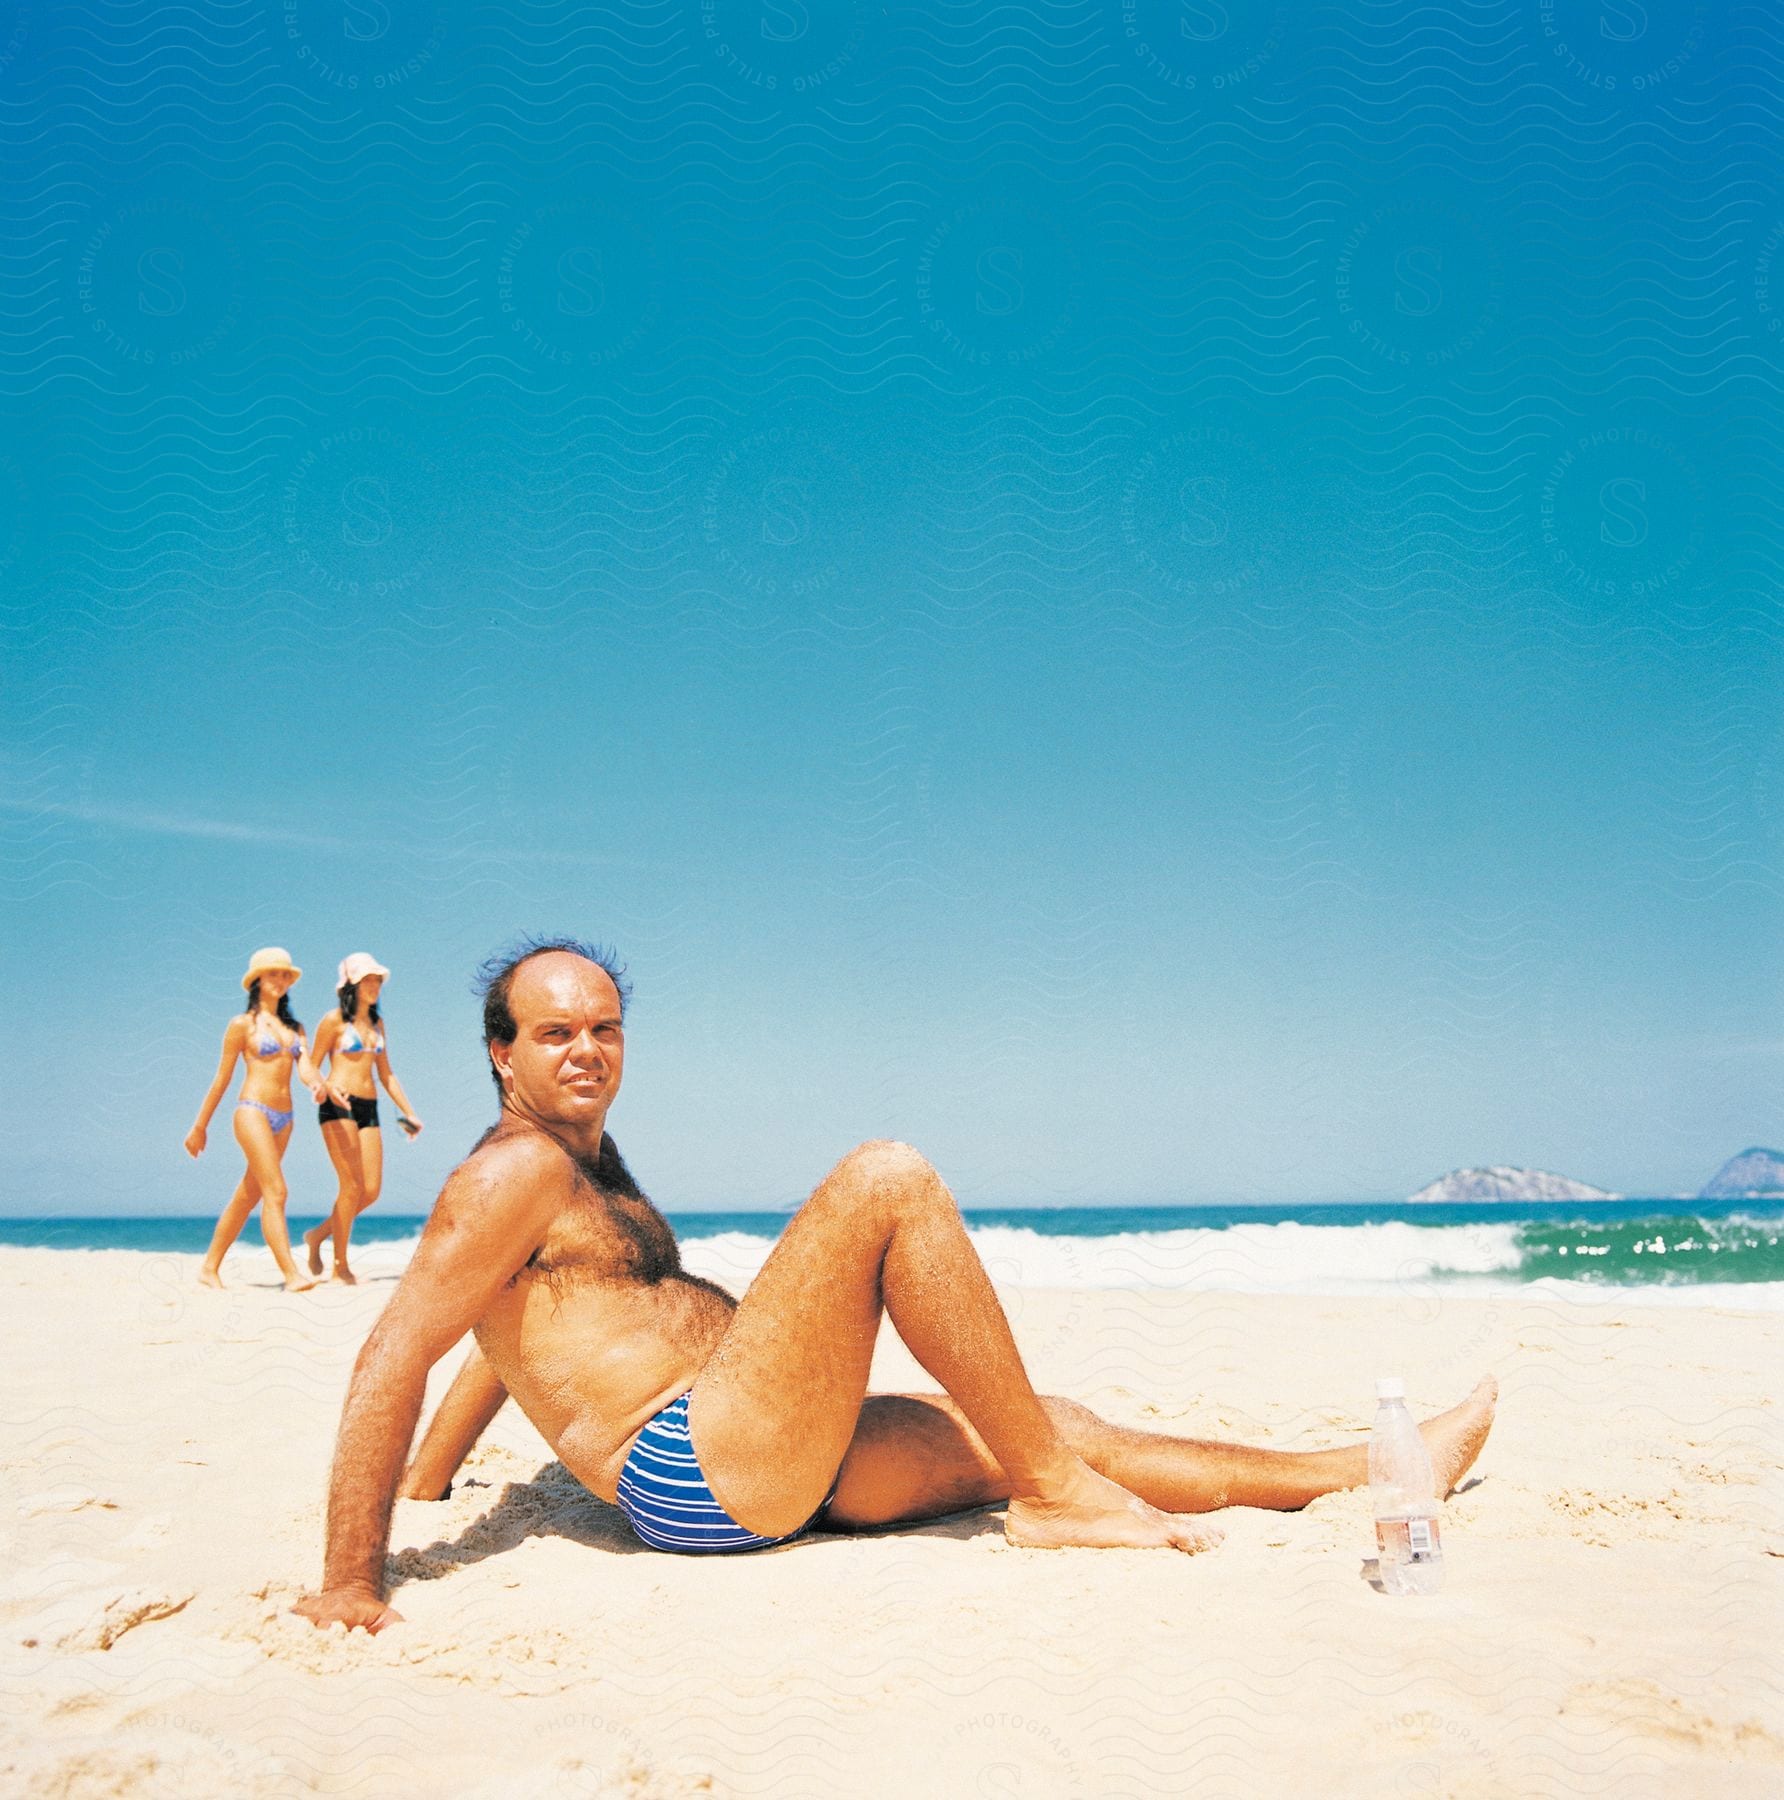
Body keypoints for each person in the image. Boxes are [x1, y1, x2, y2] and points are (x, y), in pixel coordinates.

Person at [295, 938, 1497, 1632]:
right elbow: (396, 1347)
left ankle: (1370, 1471)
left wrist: (439, 1473)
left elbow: (499, 1336)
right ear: (499, 1052)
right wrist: (353, 1581)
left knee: (1049, 1425)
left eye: (604, 1029)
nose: (588, 1051)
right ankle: (1051, 1501)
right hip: (697, 1471)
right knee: (886, 1180)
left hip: (759, 1449)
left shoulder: (575, 1159)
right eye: (555, 1034)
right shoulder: (506, 1172)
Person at [185, 947, 345, 1292]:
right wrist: (200, 1126)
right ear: (256, 980)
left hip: (284, 1117)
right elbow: (222, 1079)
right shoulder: (241, 1025)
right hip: (252, 1110)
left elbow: (305, 1067)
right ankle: (291, 1274)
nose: (281, 980)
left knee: (248, 1194)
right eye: (274, 974)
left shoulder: (295, 1028)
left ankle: (209, 1266)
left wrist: (320, 1086)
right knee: (276, 1190)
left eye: (286, 975)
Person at [301, 953, 424, 1285]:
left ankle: (317, 1237)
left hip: (369, 1107)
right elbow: (309, 1064)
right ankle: (340, 1263)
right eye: (368, 980)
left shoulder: (377, 1025)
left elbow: (387, 1075)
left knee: (370, 1191)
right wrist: (323, 1086)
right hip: (337, 1104)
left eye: (377, 980)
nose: (375, 986)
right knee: (350, 1186)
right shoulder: (332, 1021)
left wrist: (409, 1112)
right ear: (351, 984)